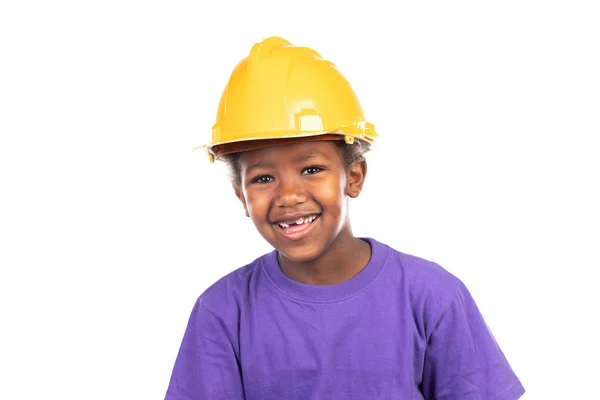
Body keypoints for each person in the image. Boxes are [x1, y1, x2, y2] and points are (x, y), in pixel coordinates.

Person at [164, 36, 525, 400]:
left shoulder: (432, 297)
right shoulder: (224, 312)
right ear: (242, 195)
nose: (288, 195)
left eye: (311, 168)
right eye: (262, 178)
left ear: (353, 176)